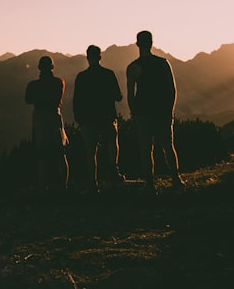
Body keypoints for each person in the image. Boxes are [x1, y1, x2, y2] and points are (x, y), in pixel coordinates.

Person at [126, 31, 183, 193]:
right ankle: (176, 179)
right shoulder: (163, 63)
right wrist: (170, 110)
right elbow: (172, 90)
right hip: (162, 112)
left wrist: (133, 113)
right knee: (168, 146)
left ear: (137, 44)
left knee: (146, 148)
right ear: (151, 43)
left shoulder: (133, 67)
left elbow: (131, 93)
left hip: (143, 113)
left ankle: (150, 184)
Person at [72, 45, 124, 193]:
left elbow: (77, 101)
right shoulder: (108, 74)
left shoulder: (81, 77)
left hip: (88, 120)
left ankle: (92, 182)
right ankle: (114, 174)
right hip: (107, 117)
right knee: (112, 145)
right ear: (100, 57)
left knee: (90, 151)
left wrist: (79, 119)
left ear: (87, 58)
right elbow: (118, 96)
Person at [25, 55, 69, 190]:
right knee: (60, 154)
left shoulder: (33, 85)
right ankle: (63, 186)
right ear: (52, 67)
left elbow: (28, 100)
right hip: (54, 117)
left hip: (39, 118)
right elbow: (57, 99)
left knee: (41, 154)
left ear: (39, 68)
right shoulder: (59, 82)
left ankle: (42, 186)